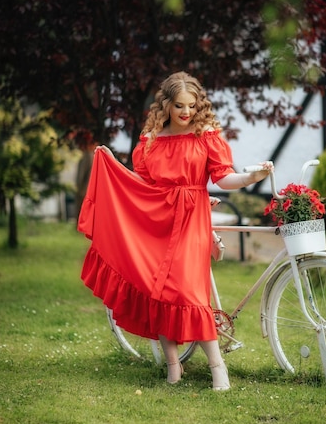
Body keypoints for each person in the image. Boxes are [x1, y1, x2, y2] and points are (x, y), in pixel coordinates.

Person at [78, 71, 273, 390]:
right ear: (166, 105)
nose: (186, 112)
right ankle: (173, 367)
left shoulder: (206, 135)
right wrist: (114, 166)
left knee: (188, 292)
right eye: (180, 106)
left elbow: (223, 178)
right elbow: (144, 184)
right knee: (159, 292)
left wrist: (251, 179)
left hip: (192, 220)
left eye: (192, 106)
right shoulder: (151, 139)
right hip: (158, 220)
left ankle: (217, 366)